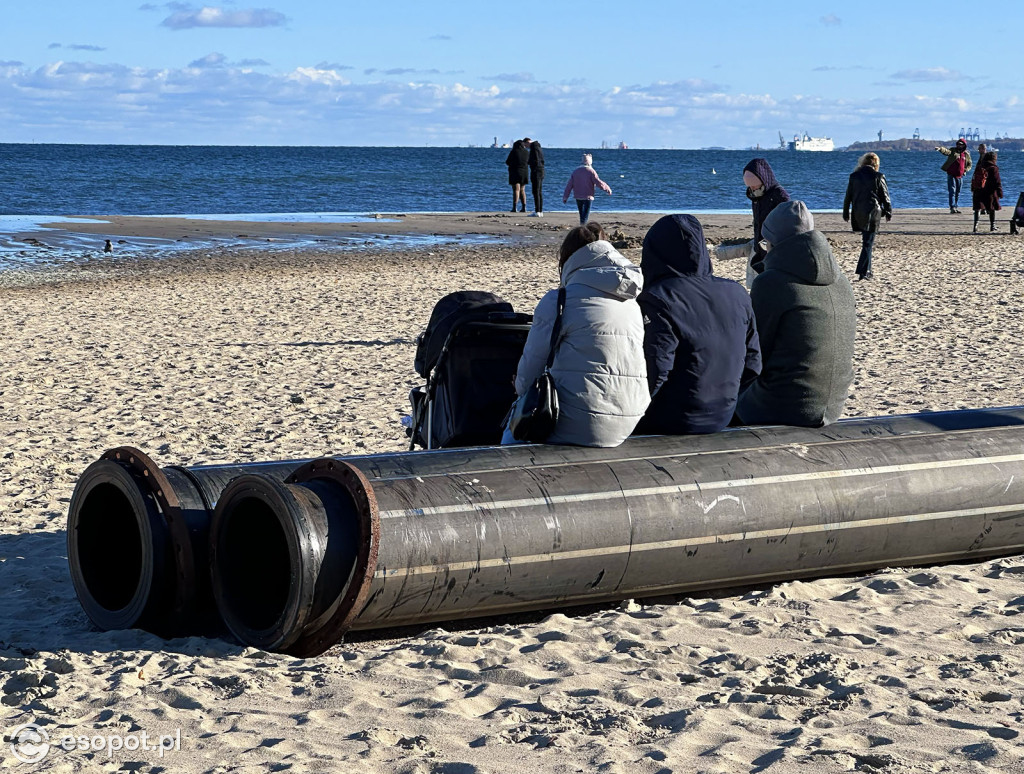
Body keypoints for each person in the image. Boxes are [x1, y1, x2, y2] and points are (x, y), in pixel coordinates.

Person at [505, 223, 649, 446]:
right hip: (628, 419)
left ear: (569, 259)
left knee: (512, 432)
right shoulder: (631, 302)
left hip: (577, 421)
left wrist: (520, 387)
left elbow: (530, 370)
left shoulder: (560, 300)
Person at [635, 214, 761, 435]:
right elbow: (753, 363)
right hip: (724, 414)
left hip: (671, 418)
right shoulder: (737, 292)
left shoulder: (657, 297)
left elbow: (657, 370)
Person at [736, 201, 856, 428]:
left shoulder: (771, 283)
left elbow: (755, 350)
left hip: (785, 404)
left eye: (766, 243)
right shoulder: (842, 281)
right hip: (832, 404)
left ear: (774, 243)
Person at [717, 158, 791, 288]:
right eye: (749, 187)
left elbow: (787, 220)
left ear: (763, 181)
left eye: (754, 186)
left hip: (774, 245)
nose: (752, 189)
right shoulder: (755, 195)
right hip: (759, 245)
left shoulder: (779, 195)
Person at [842, 152, 892, 280]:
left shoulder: (854, 176)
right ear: (876, 164)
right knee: (868, 242)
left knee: (867, 241)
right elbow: (885, 197)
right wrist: (888, 211)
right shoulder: (879, 176)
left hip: (858, 211)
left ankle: (867, 270)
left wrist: (846, 211)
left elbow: (848, 196)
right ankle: (864, 271)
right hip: (873, 211)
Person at [563, 153, 612, 224]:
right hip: (588, 197)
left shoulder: (576, 172)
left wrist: (565, 197)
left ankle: (581, 227)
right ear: (590, 162)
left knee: (581, 215)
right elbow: (598, 182)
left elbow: (569, 185)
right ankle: (583, 228)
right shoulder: (591, 171)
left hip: (578, 197)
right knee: (585, 215)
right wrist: (607, 189)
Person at [935, 138, 972, 214]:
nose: (959, 146)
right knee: (952, 191)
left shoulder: (966, 154)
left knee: (958, 191)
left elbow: (969, 164)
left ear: (964, 145)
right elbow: (946, 152)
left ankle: (955, 206)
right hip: (951, 174)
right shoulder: (953, 151)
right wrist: (940, 149)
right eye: (958, 144)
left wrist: (966, 170)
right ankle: (952, 207)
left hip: (960, 175)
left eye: (961, 145)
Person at [971, 151, 1004, 233]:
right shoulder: (993, 168)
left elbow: (974, 177)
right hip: (989, 191)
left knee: (977, 208)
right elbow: (997, 181)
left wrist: (973, 188)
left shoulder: (980, 166)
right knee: (991, 208)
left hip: (978, 189)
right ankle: (992, 226)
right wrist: (1000, 192)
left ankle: (975, 226)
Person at [505, 139, 529, 212]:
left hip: (515, 172)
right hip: (524, 172)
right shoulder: (526, 152)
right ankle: (524, 207)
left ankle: (514, 207)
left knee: (516, 189)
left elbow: (507, 162)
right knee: (522, 190)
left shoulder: (514, 152)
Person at [527, 140, 545, 217]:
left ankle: (537, 210)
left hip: (536, 171)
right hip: (541, 170)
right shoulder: (538, 148)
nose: (526, 147)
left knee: (536, 191)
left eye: (526, 145)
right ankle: (540, 210)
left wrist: (532, 165)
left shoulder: (534, 148)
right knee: (539, 191)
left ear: (527, 142)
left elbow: (536, 160)